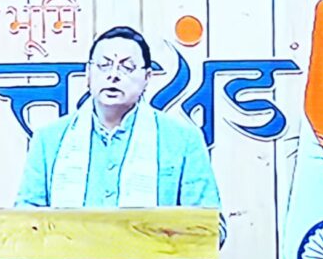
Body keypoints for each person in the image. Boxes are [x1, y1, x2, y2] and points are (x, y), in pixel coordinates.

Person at [14, 26, 223, 211]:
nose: (113, 75)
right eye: (104, 65)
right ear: (88, 73)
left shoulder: (182, 140)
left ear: (147, 77)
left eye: (127, 67)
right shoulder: (49, 140)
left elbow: (211, 227)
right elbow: (24, 221)